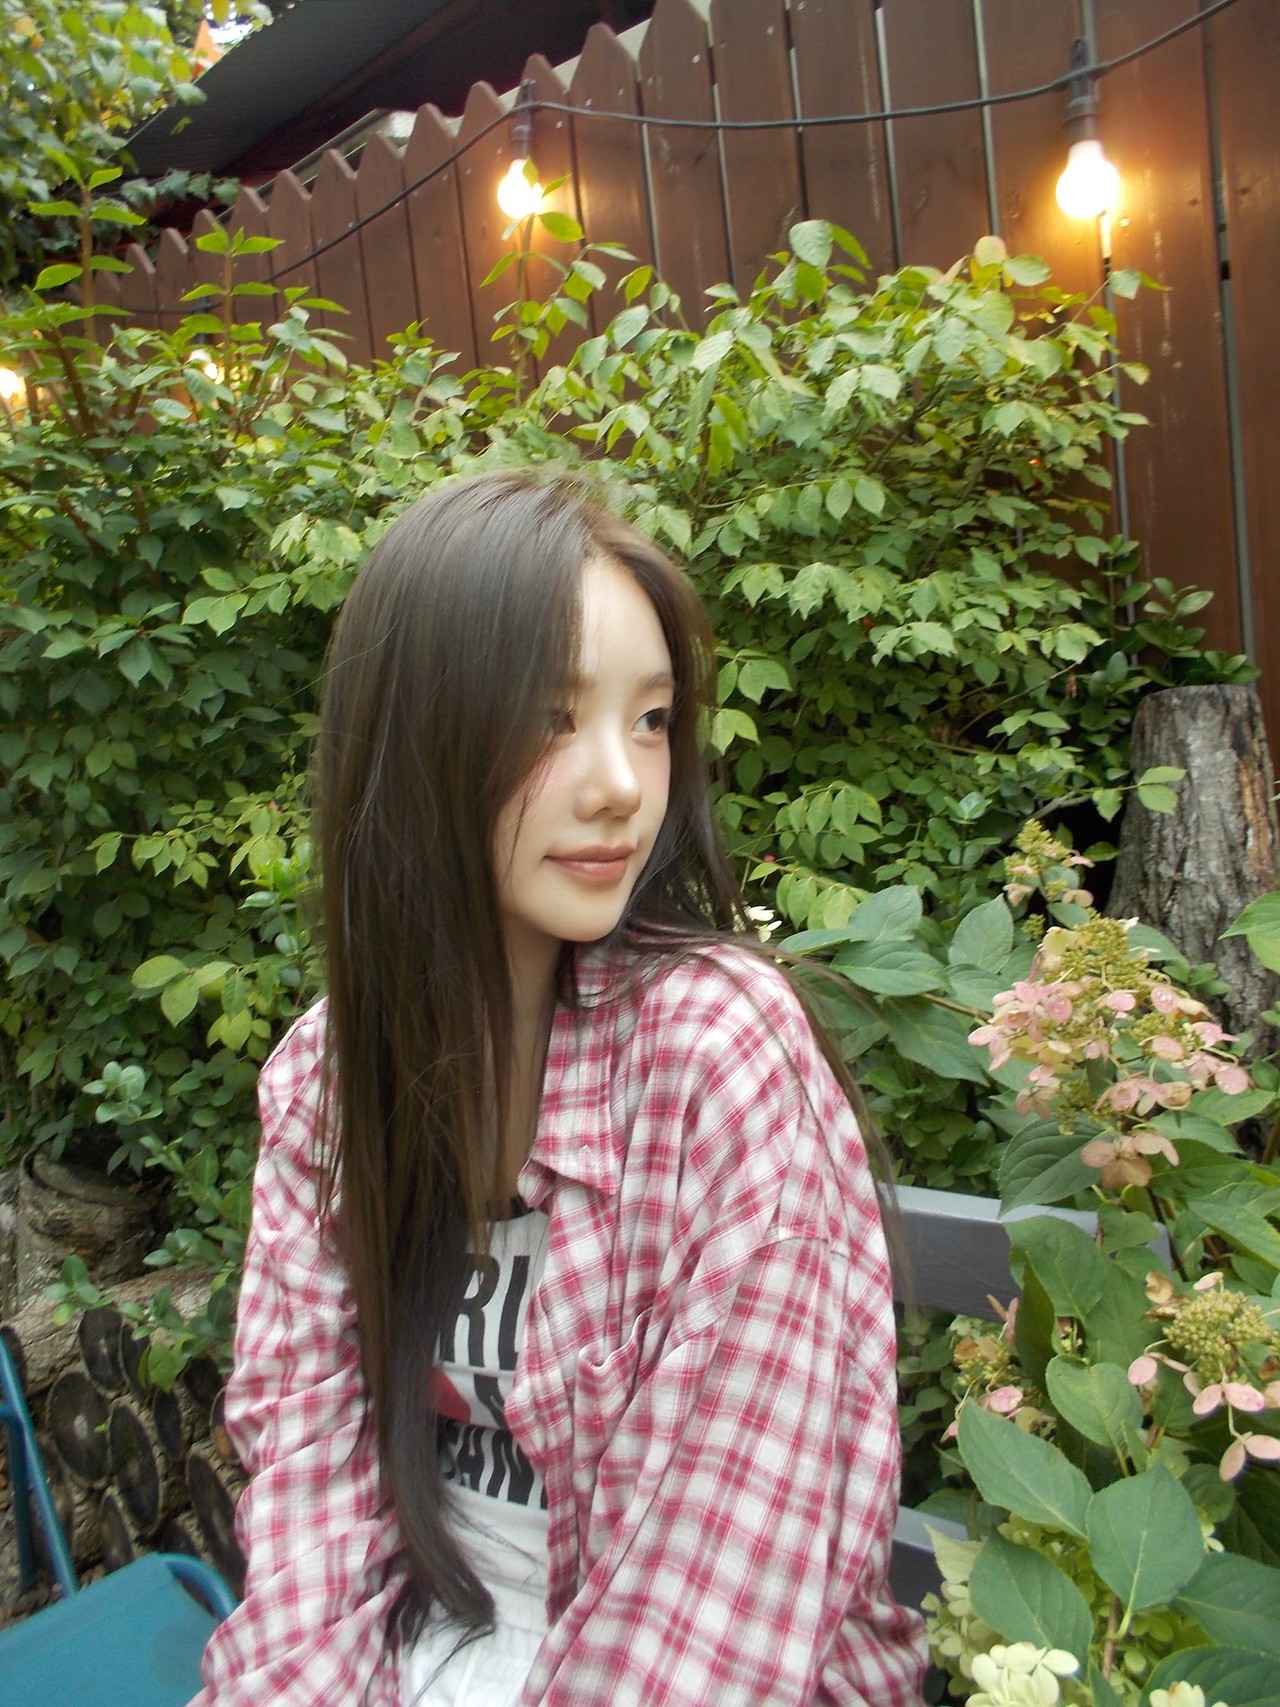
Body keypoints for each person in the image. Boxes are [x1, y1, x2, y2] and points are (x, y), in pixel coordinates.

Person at [194, 472, 927, 1706]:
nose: (621, 785)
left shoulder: (717, 1053)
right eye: (551, 717)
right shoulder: (329, 1078)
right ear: (415, 738)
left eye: (650, 719)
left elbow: (705, 1624)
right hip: (419, 1642)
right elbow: (308, 1495)